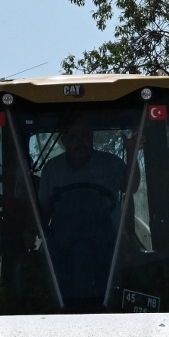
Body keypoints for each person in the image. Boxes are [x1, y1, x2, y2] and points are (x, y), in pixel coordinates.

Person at [37, 113, 129, 305]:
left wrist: (132, 152)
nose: (80, 142)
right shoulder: (52, 169)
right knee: (40, 273)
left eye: (85, 136)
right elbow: (43, 213)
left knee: (133, 268)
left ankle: (116, 301)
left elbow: (132, 186)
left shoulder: (111, 164)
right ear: (63, 141)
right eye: (73, 137)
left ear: (92, 137)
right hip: (62, 246)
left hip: (107, 243)